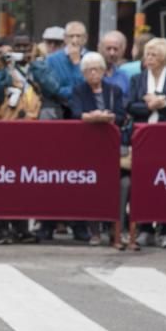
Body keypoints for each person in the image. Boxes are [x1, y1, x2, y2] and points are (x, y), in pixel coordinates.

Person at [126, 37, 166, 248]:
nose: (148, 58)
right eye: (147, 54)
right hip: (143, 137)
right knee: (142, 184)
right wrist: (150, 107)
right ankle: (145, 228)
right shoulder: (137, 79)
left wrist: (163, 104)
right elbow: (130, 106)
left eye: (153, 55)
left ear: (164, 58)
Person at [67, 52, 125, 246]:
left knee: (111, 186)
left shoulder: (113, 90)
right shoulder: (79, 90)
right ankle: (94, 231)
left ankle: (112, 230)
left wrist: (107, 116)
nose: (93, 73)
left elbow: (121, 115)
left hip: (110, 143)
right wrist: (91, 116)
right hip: (88, 144)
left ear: (103, 71)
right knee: (92, 186)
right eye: (89, 70)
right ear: (83, 73)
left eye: (97, 69)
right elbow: (76, 113)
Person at [46, 20, 88, 116]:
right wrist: (76, 92)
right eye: (71, 36)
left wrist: (77, 64)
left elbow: (91, 88)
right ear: (65, 38)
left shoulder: (92, 58)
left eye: (78, 36)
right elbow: (54, 90)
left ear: (85, 38)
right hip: (60, 109)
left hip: (86, 111)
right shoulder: (52, 59)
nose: (74, 40)